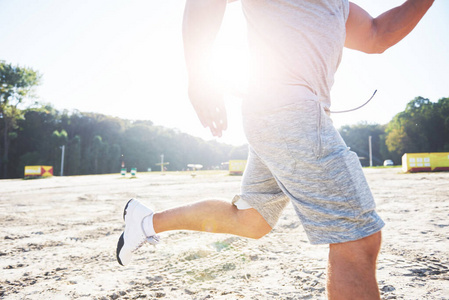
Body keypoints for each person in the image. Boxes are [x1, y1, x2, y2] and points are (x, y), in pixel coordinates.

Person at [117, 0, 434, 298]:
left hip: (283, 113)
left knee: (251, 220)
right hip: (288, 109)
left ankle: (146, 221)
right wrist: (199, 75)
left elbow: (376, 35)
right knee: (357, 237)